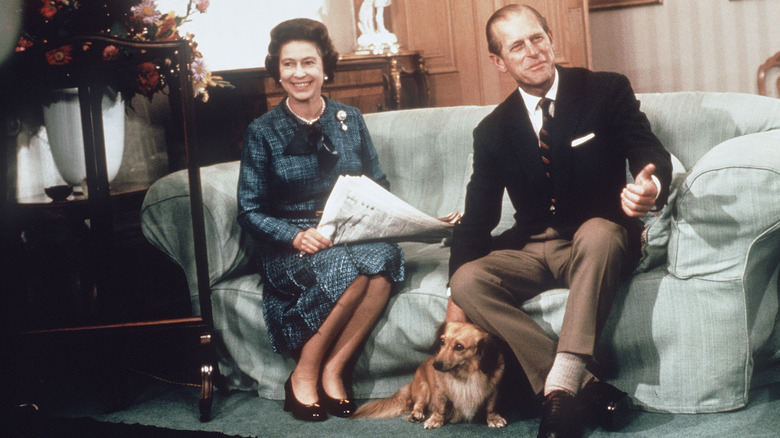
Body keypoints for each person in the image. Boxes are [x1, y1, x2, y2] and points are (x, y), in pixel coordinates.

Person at [445, 4, 672, 438]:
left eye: (537, 38)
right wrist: (455, 295)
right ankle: (585, 388)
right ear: (498, 62)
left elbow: (648, 150)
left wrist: (650, 186)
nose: (532, 51)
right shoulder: (492, 131)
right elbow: (478, 217)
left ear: (551, 39)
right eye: (517, 46)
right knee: (468, 279)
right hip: (531, 249)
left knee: (600, 232)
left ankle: (559, 387)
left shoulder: (604, 90)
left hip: (597, 240)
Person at [237, 18, 404, 422]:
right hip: (290, 245)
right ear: (278, 72)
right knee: (353, 271)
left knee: (384, 262)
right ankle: (303, 376)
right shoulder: (262, 131)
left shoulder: (350, 118)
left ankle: (332, 370)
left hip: (347, 233)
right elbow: (250, 209)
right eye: (289, 64)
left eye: (308, 63)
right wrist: (294, 237)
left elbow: (376, 183)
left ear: (325, 68)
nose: (300, 73)